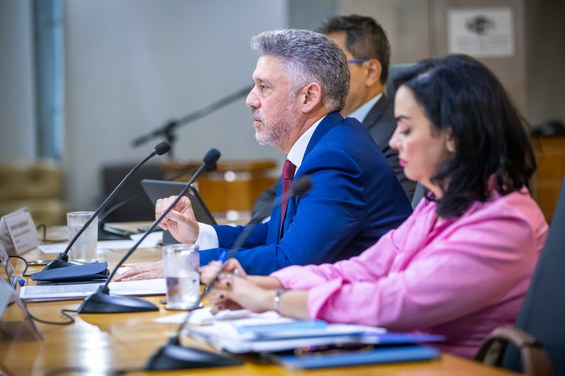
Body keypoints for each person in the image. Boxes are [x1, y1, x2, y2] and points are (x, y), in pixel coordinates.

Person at [202, 54, 549, 359]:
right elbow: (362, 270)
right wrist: (273, 285)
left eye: (407, 129)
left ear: (452, 136)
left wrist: (272, 301)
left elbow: (392, 302)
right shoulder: (437, 204)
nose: (395, 142)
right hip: (402, 358)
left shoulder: (503, 223)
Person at [117, 29, 411, 279]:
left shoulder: (336, 157)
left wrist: (186, 263)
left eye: (264, 87)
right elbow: (276, 236)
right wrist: (199, 235)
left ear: (309, 96)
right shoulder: (325, 142)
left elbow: (290, 261)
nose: (250, 100)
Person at [251, 15, 416, 223]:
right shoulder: (322, 130)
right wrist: (276, 227)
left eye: (337, 63)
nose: (323, 74)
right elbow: (272, 198)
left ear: (371, 71)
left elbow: (400, 222)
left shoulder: (397, 135)